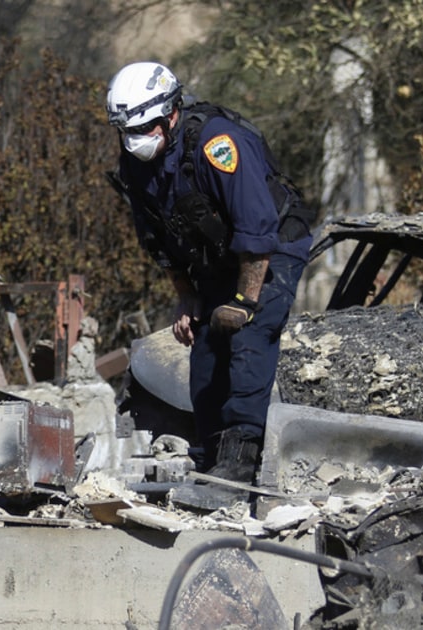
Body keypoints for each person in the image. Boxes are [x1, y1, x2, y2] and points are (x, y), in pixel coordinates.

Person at [105, 61, 315, 508]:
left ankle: (241, 461)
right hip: (216, 258)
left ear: (170, 114)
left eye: (142, 127)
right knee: (204, 348)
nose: (133, 138)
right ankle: (209, 456)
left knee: (247, 337)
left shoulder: (218, 145)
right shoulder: (138, 163)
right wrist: (188, 297)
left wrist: (245, 301)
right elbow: (157, 238)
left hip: (270, 246)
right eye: (125, 130)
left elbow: (256, 230)